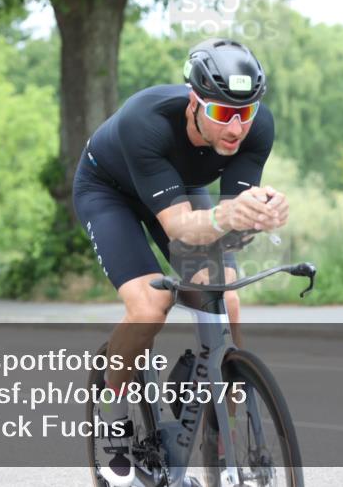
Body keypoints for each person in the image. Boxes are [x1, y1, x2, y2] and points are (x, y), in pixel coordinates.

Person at [72, 38, 289, 486]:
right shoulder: (146, 121)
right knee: (150, 305)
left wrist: (258, 217)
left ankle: (225, 437)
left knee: (224, 297)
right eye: (223, 114)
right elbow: (179, 229)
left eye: (245, 113)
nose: (236, 128)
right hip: (110, 190)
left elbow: (228, 232)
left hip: (178, 189)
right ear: (195, 102)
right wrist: (227, 214)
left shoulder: (257, 128)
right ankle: (116, 420)